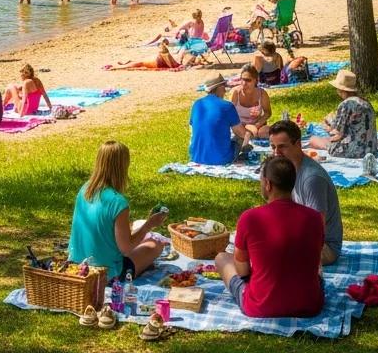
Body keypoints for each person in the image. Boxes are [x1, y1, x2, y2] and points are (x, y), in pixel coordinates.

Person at [215, 156, 324, 318]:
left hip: (261, 306)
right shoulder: (315, 218)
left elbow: (243, 270)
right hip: (309, 305)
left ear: (268, 184)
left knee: (222, 258)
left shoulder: (250, 218)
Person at [68, 140, 167, 281]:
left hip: (77, 267)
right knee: (155, 244)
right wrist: (149, 225)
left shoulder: (85, 189)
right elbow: (126, 249)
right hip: (107, 274)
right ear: (122, 167)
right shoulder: (118, 203)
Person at [269, 120, 342, 265]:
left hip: (323, 247)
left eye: (282, 147)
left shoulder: (312, 178)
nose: (276, 153)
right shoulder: (289, 170)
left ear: (298, 144)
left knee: (268, 252)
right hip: (301, 236)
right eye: (273, 147)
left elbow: (316, 229)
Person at [309, 69, 378, 158]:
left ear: (340, 90)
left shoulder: (346, 105)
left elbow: (337, 135)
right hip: (370, 148)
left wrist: (328, 128)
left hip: (353, 150)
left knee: (313, 140)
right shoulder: (366, 102)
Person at [189, 73, 249, 165]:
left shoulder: (197, 104)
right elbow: (241, 133)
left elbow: (193, 130)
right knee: (243, 137)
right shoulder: (227, 106)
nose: (225, 91)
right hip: (221, 159)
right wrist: (250, 135)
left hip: (196, 157)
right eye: (224, 86)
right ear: (220, 88)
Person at [229, 65, 272, 140]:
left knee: (266, 132)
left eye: (248, 80)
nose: (244, 83)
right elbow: (229, 114)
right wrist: (241, 126)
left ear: (255, 80)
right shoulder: (235, 93)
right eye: (242, 79)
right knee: (245, 135)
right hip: (239, 126)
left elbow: (267, 113)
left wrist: (256, 125)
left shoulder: (262, 94)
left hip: (257, 125)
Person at [107, 41, 181, 71]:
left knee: (139, 63)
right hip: (161, 60)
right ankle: (166, 55)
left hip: (159, 61)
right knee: (139, 62)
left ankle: (117, 67)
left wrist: (115, 67)